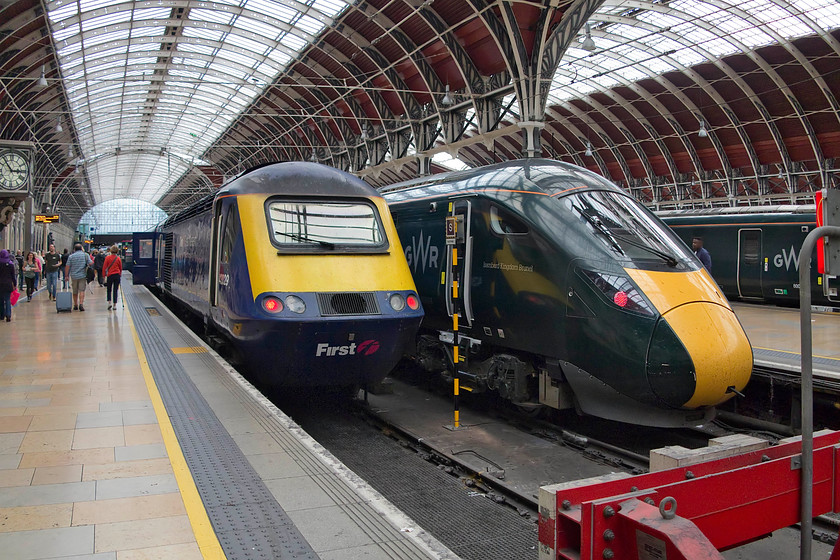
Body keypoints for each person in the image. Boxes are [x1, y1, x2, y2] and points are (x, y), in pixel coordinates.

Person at [65, 243, 93, 311]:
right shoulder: (85, 255)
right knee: (82, 290)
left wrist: (66, 276)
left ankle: (75, 305)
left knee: (75, 291)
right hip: (82, 275)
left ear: (74, 249)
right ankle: (81, 304)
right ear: (81, 248)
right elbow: (91, 263)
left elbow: (67, 266)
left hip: (74, 276)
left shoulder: (71, 256)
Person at [102, 245, 123, 310]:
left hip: (110, 275)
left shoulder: (107, 258)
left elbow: (104, 267)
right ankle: (114, 305)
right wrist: (120, 274)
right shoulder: (118, 258)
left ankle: (109, 303)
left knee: (109, 289)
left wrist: (103, 276)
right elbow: (120, 267)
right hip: (117, 275)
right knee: (115, 290)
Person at [0, 249, 17, 322]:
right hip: (8, 284)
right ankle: (8, 315)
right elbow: (13, 276)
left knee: (1, 300)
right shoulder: (10, 264)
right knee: (7, 300)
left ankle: (1, 315)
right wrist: (15, 284)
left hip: (0, 284)